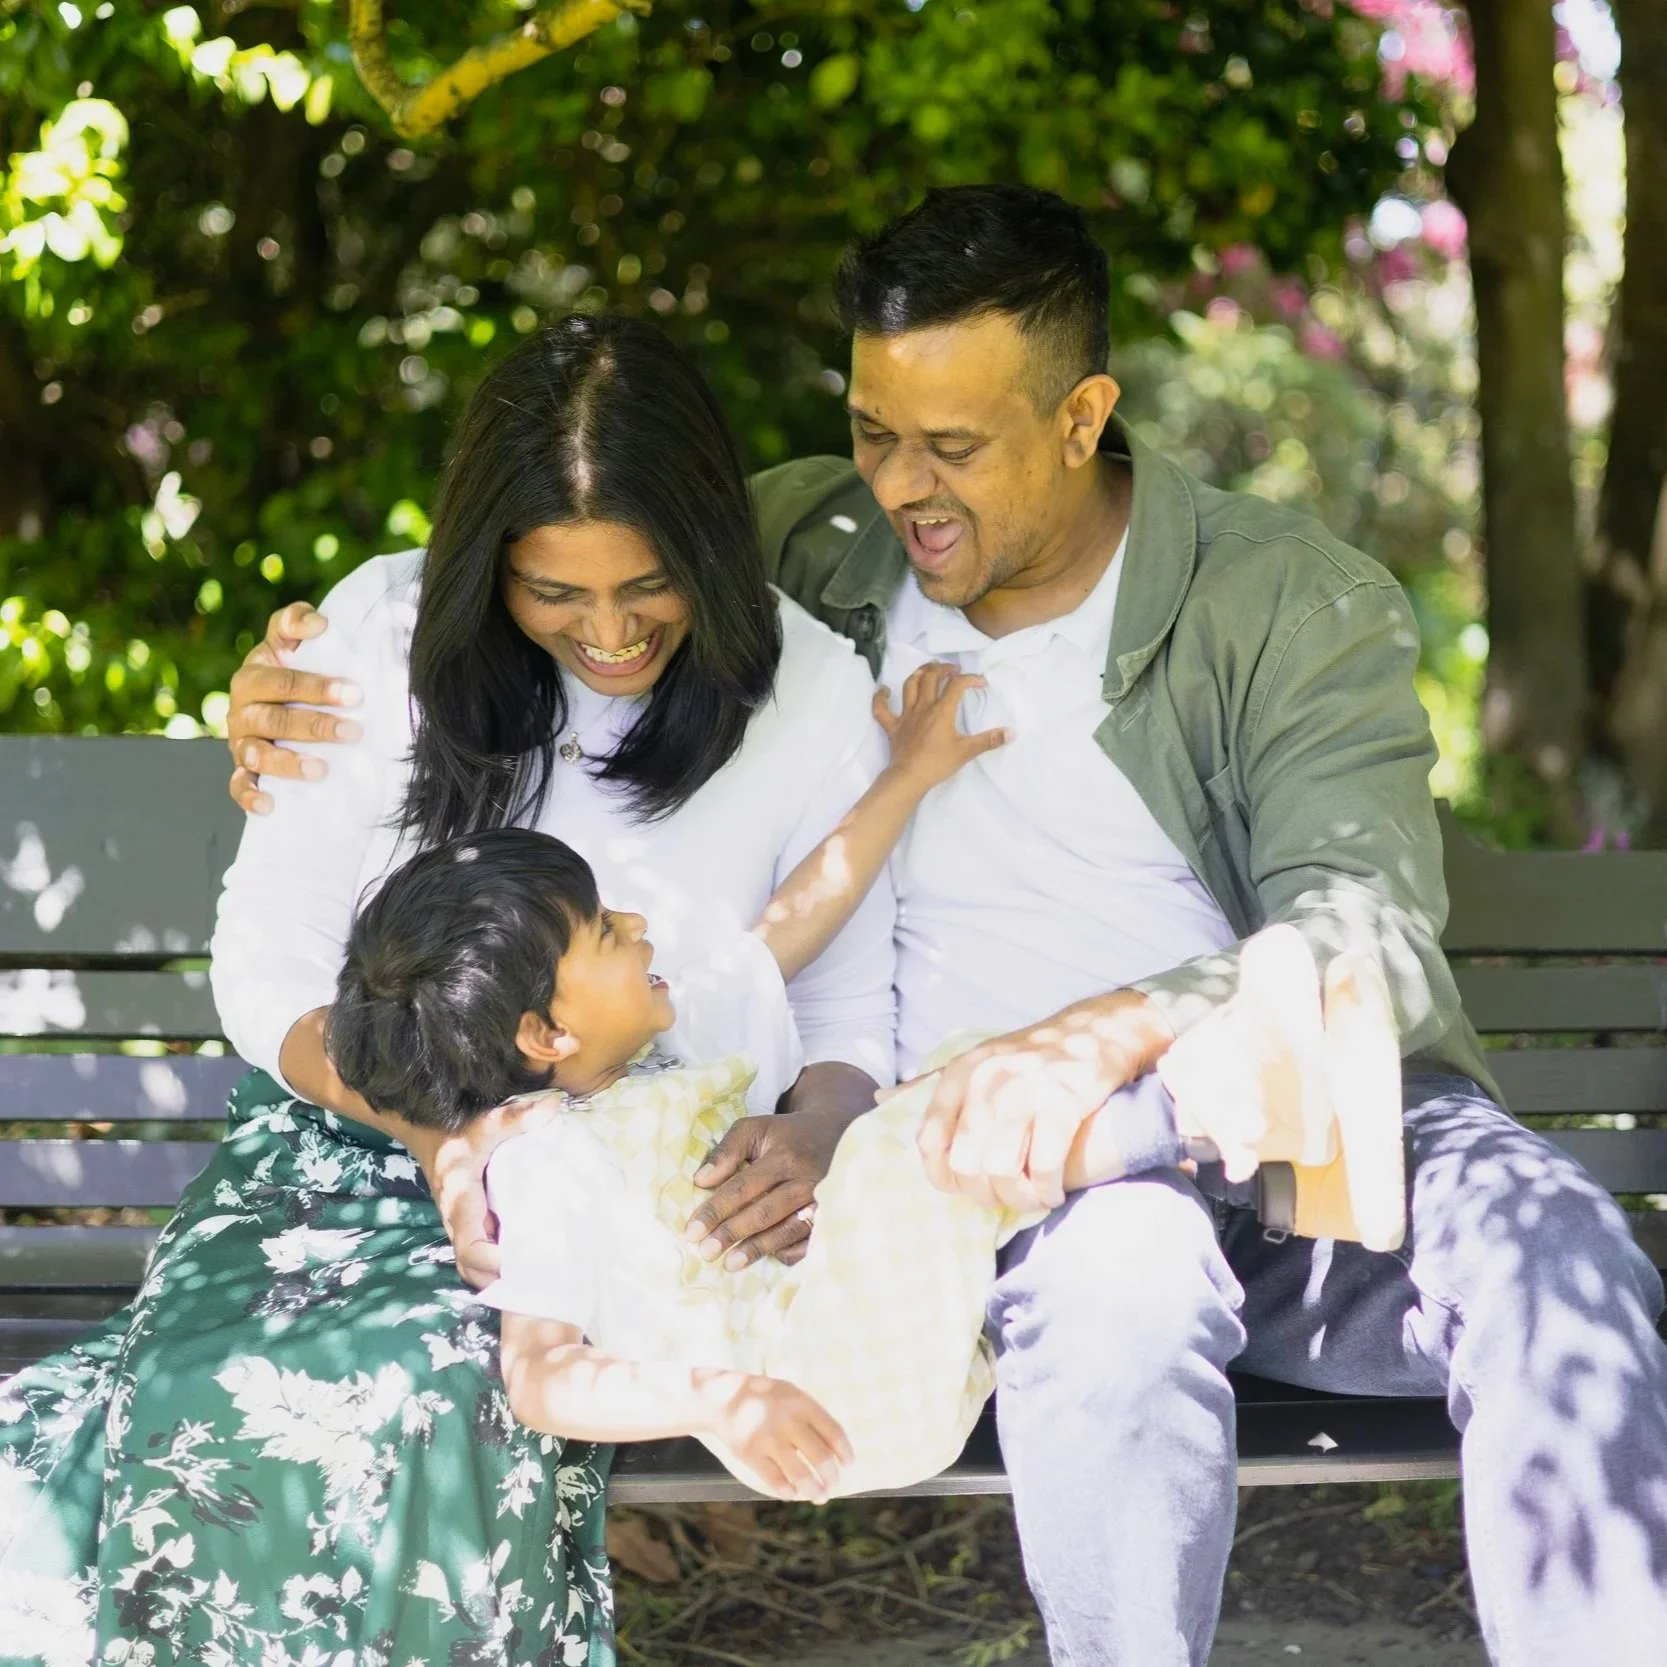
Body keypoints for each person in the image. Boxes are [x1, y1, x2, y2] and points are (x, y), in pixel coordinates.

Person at [223, 185, 1667, 1667]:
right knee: (1115, 1298)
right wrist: (288, 682)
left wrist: (1101, 1033)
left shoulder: (1280, 600)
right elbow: (561, 560)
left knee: (1556, 1252)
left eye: (953, 447)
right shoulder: (803, 543)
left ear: (1081, 415)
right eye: (871, 431)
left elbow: (1362, 926)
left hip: (1288, 1115)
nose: (902, 485)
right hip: (1014, 1172)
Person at [0, 315, 898, 1667]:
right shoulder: (377, 632)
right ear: (489, 567)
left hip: (617, 1184)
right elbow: (268, 953)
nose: (609, 632)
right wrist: (434, 1132)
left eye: (649, 583)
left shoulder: (812, 688)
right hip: (349, 1131)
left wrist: (816, 1128)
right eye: (552, 591)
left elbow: (842, 1008)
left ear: (713, 549)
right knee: (211, 1382)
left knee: (427, 1385)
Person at [327, 688, 1400, 1504]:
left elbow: (800, 913)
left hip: (865, 1321)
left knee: (967, 1077)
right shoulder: (549, 1166)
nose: (640, 926)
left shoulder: (663, 1040)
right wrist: (718, 1400)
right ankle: (1226, 1108)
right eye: (607, 932)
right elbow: (539, 1376)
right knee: (906, 1138)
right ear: (545, 1034)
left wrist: (911, 773)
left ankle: (1267, 1142)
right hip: (824, 1399)